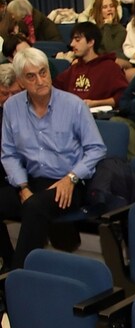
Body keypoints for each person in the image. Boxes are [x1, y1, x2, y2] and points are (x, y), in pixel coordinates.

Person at [0, 48, 106, 269]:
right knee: (29, 202)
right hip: (31, 179)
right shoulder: (12, 107)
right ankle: (9, 263)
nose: (40, 80)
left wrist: (72, 178)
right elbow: (8, 153)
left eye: (43, 72)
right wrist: (22, 186)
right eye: (31, 76)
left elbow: (96, 149)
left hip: (68, 181)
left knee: (34, 207)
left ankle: (17, 278)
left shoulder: (73, 104)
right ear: (20, 81)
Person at [53, 22, 129, 109]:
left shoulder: (110, 67)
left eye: (77, 40)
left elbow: (123, 97)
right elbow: (54, 89)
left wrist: (96, 103)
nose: (72, 44)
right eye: (72, 40)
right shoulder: (73, 69)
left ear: (90, 42)